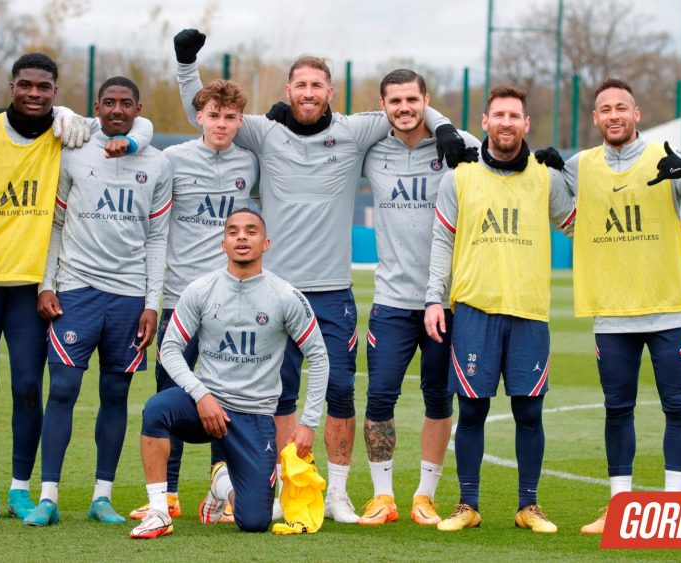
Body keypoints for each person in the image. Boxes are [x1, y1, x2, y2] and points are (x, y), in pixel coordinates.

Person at [172, 28, 474, 522]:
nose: (308, 93)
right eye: (300, 85)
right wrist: (187, 64)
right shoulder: (263, 131)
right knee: (278, 395)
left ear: (330, 92)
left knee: (339, 393)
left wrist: (444, 130)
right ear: (287, 91)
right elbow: (202, 111)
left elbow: (412, 108)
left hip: (332, 293)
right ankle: (286, 485)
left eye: (317, 85)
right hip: (275, 292)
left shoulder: (356, 131)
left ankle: (336, 492)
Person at [0, 54, 151, 522]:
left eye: (44, 87)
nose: (34, 93)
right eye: (26, 85)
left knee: (28, 386)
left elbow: (128, 123)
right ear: (10, 86)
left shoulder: (66, 135)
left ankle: (22, 488)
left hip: (30, 284)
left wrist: (71, 117)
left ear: (56, 92)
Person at [562, 78, 681, 535]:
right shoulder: (580, 166)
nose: (614, 115)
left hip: (668, 310)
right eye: (605, 109)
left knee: (677, 407)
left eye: (622, 107)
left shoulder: (667, 155)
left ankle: (672, 510)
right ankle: (620, 509)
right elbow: (556, 210)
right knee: (617, 409)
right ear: (596, 118)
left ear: (636, 113)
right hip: (612, 312)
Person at [18, 76, 171, 526]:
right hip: (77, 290)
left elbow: (158, 237)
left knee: (115, 393)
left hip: (128, 298)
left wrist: (151, 302)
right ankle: (48, 497)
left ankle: (101, 496)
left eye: (126, 103)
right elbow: (55, 226)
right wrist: (46, 285)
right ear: (97, 107)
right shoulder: (72, 153)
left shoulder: (158, 164)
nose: (117, 110)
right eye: (109, 102)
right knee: (62, 389)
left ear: (138, 108)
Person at [425, 85, 575, 534]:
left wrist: (569, 175)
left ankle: (529, 505)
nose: (507, 123)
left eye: (515, 116)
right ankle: (467, 504)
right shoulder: (460, 177)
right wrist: (435, 297)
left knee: (530, 412)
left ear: (527, 124)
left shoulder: (545, 178)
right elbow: (442, 240)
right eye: (499, 115)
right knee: (472, 411)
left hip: (529, 312)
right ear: (485, 121)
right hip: (474, 310)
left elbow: (577, 223)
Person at [130, 208, 329, 539]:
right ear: (223, 243)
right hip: (204, 407)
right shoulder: (201, 290)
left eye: (251, 232)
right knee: (156, 409)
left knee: (254, 522)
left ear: (266, 244)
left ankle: (221, 485)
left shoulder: (285, 296)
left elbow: (319, 357)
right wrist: (202, 395)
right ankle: (159, 512)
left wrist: (308, 423)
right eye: (233, 231)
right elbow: (169, 349)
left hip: (254, 416)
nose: (241, 237)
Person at [128, 79, 258, 524]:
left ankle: (221, 491)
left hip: (231, 302)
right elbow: (154, 228)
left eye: (230, 117)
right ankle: (168, 495)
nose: (221, 124)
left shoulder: (250, 162)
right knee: (172, 395)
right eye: (214, 115)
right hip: (180, 298)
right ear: (198, 116)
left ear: (240, 121)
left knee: (227, 395)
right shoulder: (172, 160)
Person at [357, 69, 481, 526]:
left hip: (446, 301)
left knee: (437, 399)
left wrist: (444, 125)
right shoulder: (372, 150)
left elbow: (496, 151)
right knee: (379, 398)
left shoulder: (455, 146)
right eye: (395, 101)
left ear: (426, 100)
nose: (405, 108)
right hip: (391, 300)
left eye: (413, 100)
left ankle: (424, 496)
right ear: (383, 105)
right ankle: (382, 496)